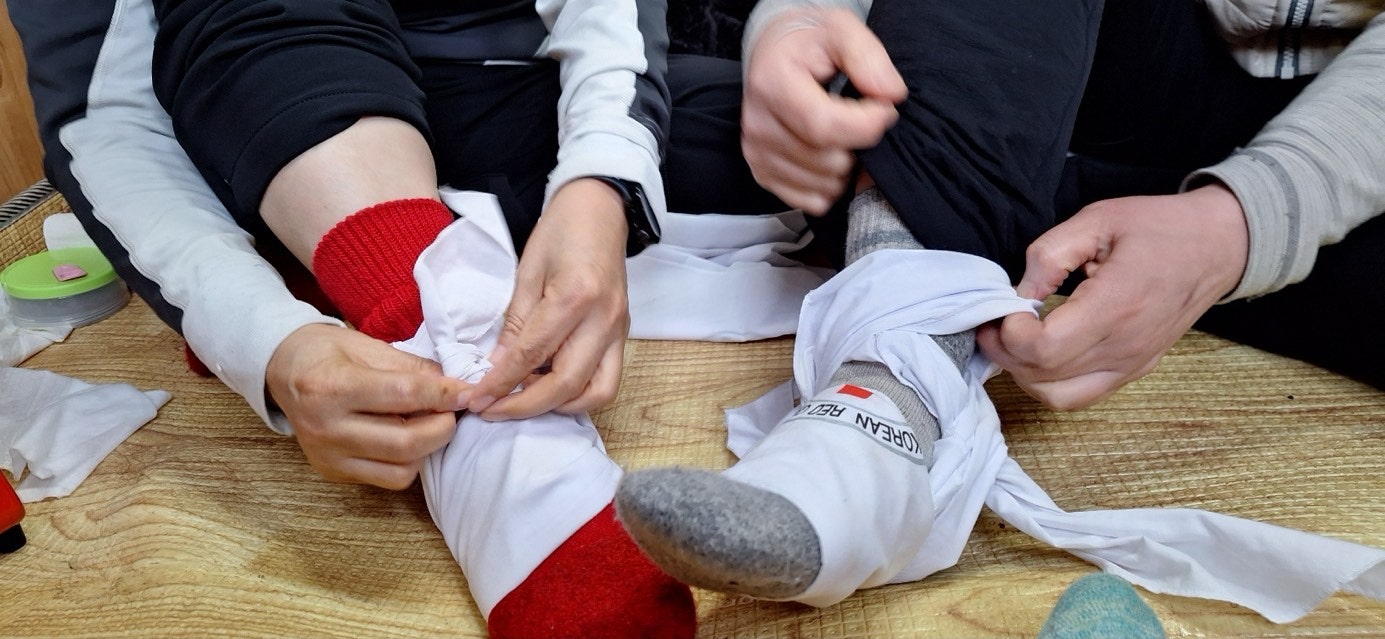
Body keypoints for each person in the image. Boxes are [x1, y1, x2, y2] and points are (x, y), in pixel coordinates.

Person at [8, 0, 777, 636]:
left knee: (802, 130)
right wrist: (264, 335)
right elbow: (102, 116)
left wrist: (599, 177)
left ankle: (354, 240)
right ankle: (496, 441)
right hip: (270, 69)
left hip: (499, 81)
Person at [616, 0, 1383, 613]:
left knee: (684, 146)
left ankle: (928, 217)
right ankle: (888, 398)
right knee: (616, 142)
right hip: (1079, 46)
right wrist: (802, 18)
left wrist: (1244, 220)